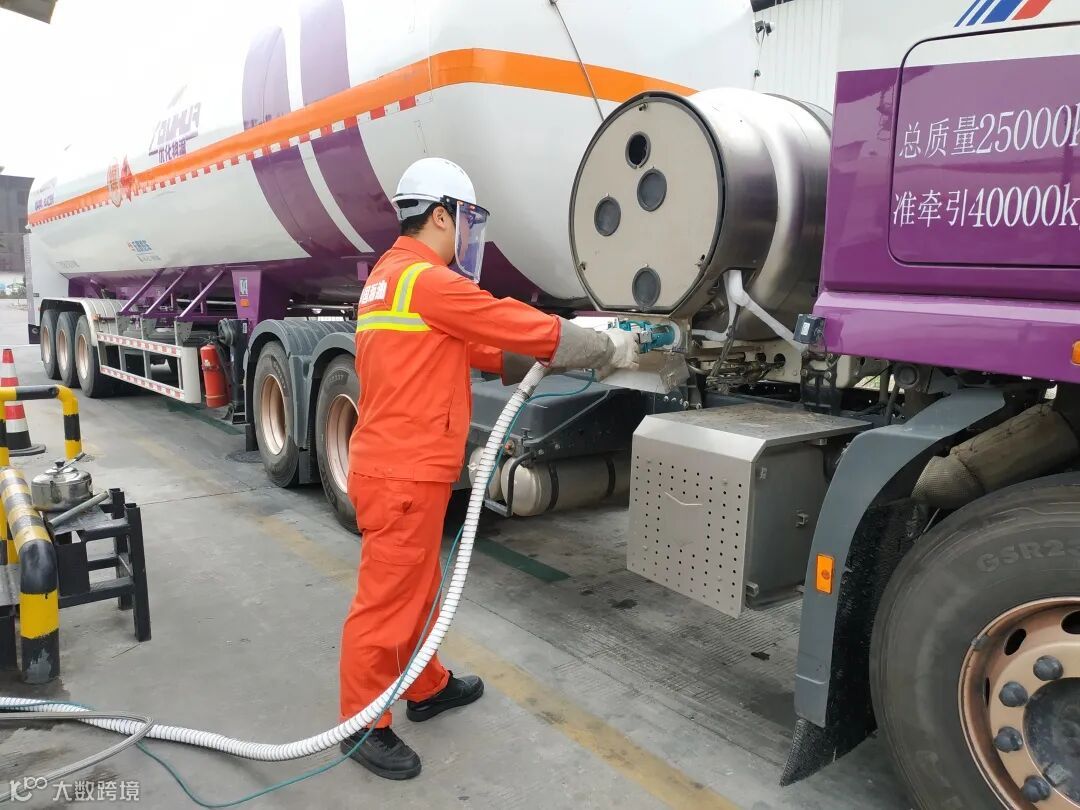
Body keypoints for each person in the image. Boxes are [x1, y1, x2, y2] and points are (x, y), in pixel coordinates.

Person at [338, 158, 639, 780]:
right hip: (402, 472)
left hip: (399, 467)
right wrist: (603, 345)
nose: (467, 235)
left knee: (418, 587)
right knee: (388, 601)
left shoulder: (389, 279)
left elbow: (480, 347)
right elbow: (509, 321)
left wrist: (540, 357)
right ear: (440, 215)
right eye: (465, 221)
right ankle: (362, 723)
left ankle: (425, 685)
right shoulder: (427, 280)